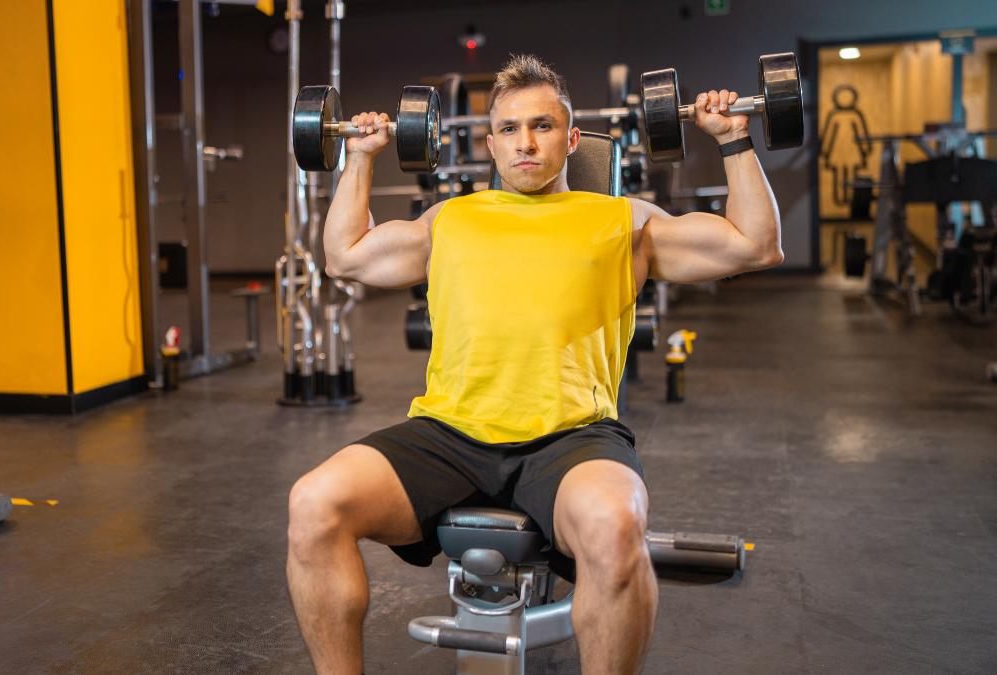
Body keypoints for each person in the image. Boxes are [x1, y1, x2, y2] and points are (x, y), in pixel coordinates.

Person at [287, 53, 783, 675]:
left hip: (571, 438)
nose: (526, 143)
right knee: (314, 504)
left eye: (543, 126)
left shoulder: (622, 221)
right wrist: (358, 157)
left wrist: (734, 139)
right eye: (510, 129)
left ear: (572, 139)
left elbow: (757, 245)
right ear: (490, 144)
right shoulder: (451, 219)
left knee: (616, 524)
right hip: (447, 434)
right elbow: (346, 258)